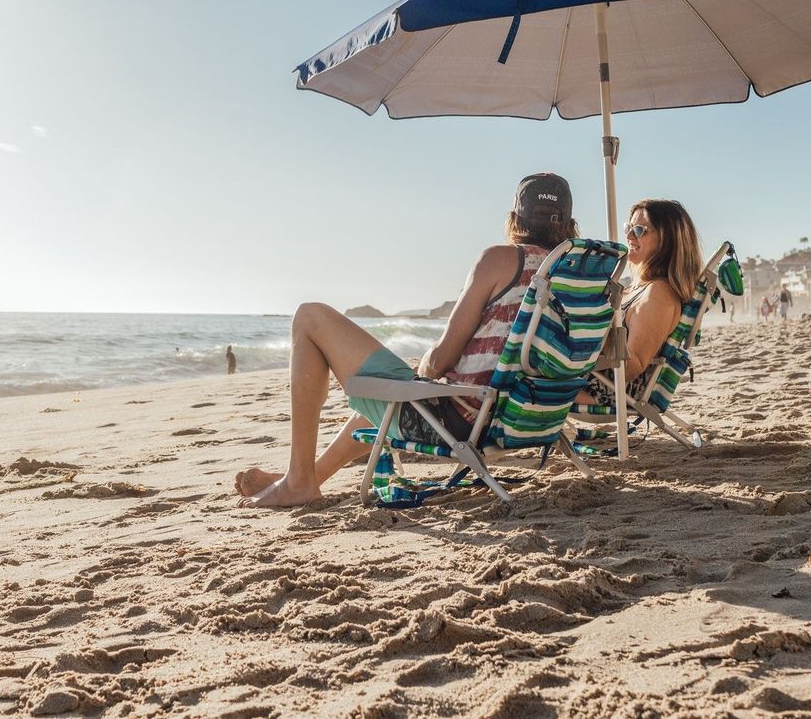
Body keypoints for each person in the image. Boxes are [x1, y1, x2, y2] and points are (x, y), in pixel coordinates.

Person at [234, 173, 579, 508]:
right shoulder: (577, 277)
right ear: (567, 222)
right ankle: (305, 476)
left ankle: (297, 482)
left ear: (515, 218)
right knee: (380, 406)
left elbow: (440, 361)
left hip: (464, 421)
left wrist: (426, 366)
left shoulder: (500, 259)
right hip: (530, 416)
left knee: (309, 317)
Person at [574, 199, 702, 412]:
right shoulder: (635, 288)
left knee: (518, 380)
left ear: (667, 240)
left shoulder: (658, 293)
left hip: (606, 389)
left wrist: (595, 330)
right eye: (629, 227)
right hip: (593, 377)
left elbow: (631, 367)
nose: (629, 236)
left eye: (640, 230)